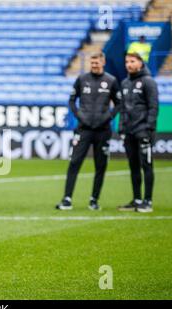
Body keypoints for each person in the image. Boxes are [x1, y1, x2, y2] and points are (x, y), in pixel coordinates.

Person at [56, 52, 121, 211]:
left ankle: (94, 200)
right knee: (74, 163)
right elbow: (72, 100)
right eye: (92, 63)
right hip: (83, 129)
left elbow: (119, 103)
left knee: (100, 166)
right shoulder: (82, 79)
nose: (94, 66)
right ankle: (67, 198)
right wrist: (79, 115)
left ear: (103, 62)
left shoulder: (111, 81)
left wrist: (109, 117)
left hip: (103, 130)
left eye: (97, 63)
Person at [117, 52, 159, 213]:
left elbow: (153, 107)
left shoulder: (148, 82)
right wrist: (121, 127)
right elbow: (122, 108)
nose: (129, 64)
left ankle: (147, 201)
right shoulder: (125, 83)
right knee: (133, 166)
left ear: (141, 63)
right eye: (127, 61)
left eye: (132, 61)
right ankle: (137, 199)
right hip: (128, 131)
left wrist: (149, 128)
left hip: (143, 131)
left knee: (146, 166)